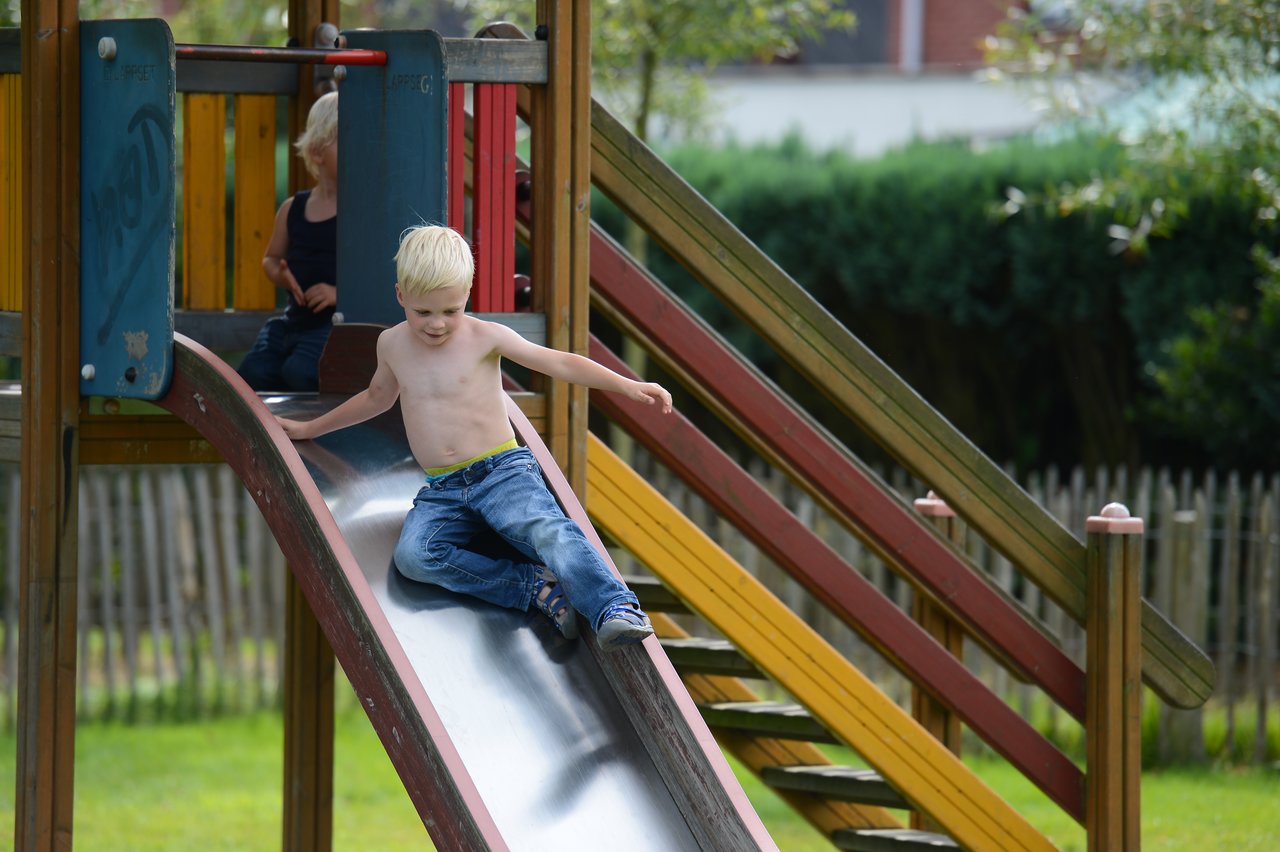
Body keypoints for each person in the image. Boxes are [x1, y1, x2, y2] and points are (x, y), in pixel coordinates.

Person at [275, 224, 670, 650]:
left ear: (466, 295)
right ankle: (532, 587)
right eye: (423, 312)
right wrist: (309, 429)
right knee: (415, 557)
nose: (437, 324)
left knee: (547, 529)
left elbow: (558, 363)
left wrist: (627, 385)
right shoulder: (391, 345)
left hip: (502, 473)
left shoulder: (485, 337)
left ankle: (613, 607)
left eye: (451, 310)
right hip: (443, 488)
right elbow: (375, 397)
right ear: (400, 296)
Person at [237, 91, 339, 392]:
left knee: (302, 372)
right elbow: (270, 258)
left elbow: (377, 270)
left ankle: (305, 435)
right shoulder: (293, 209)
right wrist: (280, 274)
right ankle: (264, 434)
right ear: (318, 151)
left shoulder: (361, 211)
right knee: (252, 372)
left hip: (335, 326)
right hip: (293, 320)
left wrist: (338, 292)